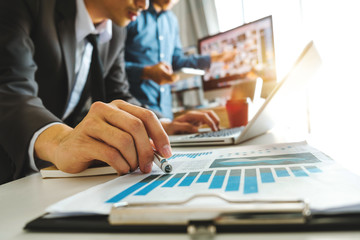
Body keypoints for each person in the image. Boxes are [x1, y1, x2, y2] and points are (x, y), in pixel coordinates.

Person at [0, 0, 219, 184]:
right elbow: (10, 90)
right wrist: (60, 142)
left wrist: (160, 123)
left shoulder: (116, 32)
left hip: (49, 176)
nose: (143, 4)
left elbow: (118, 94)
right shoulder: (27, 5)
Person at [125, 0, 235, 119]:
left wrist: (212, 58)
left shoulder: (172, 21)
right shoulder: (133, 14)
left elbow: (177, 61)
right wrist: (145, 72)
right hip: (134, 108)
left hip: (165, 111)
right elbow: (112, 68)